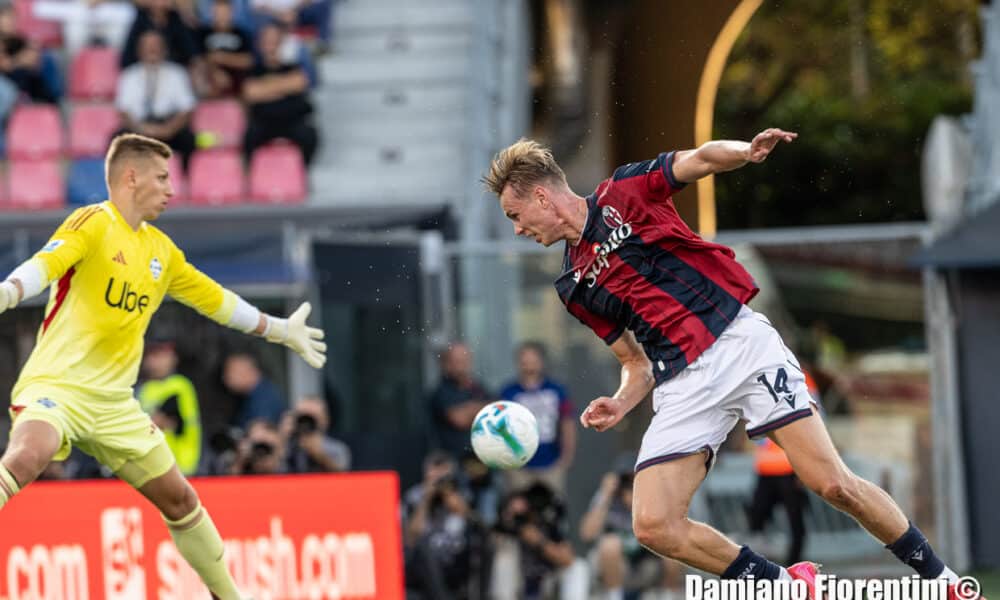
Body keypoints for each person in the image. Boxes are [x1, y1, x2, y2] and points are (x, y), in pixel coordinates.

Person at [483, 132, 973, 596]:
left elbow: (699, 158)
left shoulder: (625, 192)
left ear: (542, 198)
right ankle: (785, 586)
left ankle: (944, 581)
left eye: (515, 214)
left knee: (833, 484)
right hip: (683, 382)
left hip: (740, 346)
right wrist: (619, 400)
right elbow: (635, 365)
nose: (517, 228)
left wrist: (746, 150)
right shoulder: (572, 286)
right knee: (654, 524)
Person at [0, 133, 326, 600]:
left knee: (181, 500)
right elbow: (45, 264)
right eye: (162, 177)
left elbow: (215, 299)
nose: (172, 189)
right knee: (30, 455)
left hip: (115, 405)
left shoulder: (162, 252)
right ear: (131, 178)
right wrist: (10, 291)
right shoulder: (93, 223)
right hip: (59, 387)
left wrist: (278, 329)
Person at [580, 470, 684, 600]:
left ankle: (668, 596)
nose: (632, 491)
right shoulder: (608, 499)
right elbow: (587, 534)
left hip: (646, 565)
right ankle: (615, 596)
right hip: (616, 568)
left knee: (672, 545)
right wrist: (604, 494)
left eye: (637, 484)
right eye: (628, 486)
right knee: (610, 544)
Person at [500, 341, 575, 496]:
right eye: (525, 362)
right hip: (519, 467)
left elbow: (567, 423)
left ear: (541, 362)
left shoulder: (556, 390)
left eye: (533, 361)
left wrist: (565, 458)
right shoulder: (509, 392)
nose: (529, 367)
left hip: (551, 463)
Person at [116, 30, 197, 166]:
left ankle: (186, 181)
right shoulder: (129, 75)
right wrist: (140, 129)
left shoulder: (177, 73)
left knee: (190, 140)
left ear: (164, 49)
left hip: (169, 127)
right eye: (147, 46)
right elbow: (123, 111)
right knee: (116, 140)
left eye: (156, 46)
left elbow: (187, 109)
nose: (152, 50)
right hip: (139, 128)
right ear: (139, 50)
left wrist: (169, 128)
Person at [137, 336, 203, 476]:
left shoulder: (179, 385)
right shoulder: (144, 388)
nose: (157, 361)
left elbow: (161, 420)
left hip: (180, 466)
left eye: (163, 355)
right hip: (153, 469)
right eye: (154, 355)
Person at [428, 341, 491, 460]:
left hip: (480, 461)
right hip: (453, 463)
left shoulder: (479, 388)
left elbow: (496, 409)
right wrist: (482, 409)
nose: (462, 365)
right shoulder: (442, 391)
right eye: (456, 361)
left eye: (465, 360)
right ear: (446, 364)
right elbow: (460, 420)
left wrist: (470, 409)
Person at [281, 395, 351, 473]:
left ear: (325, 421)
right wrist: (282, 439)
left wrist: (319, 454)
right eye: (302, 417)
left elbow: (342, 475)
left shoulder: (336, 449)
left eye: (311, 418)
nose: (306, 423)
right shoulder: (287, 446)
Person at [222, 350, 286, 428]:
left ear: (245, 371)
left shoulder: (263, 398)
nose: (226, 378)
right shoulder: (251, 395)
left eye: (231, 372)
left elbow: (260, 434)